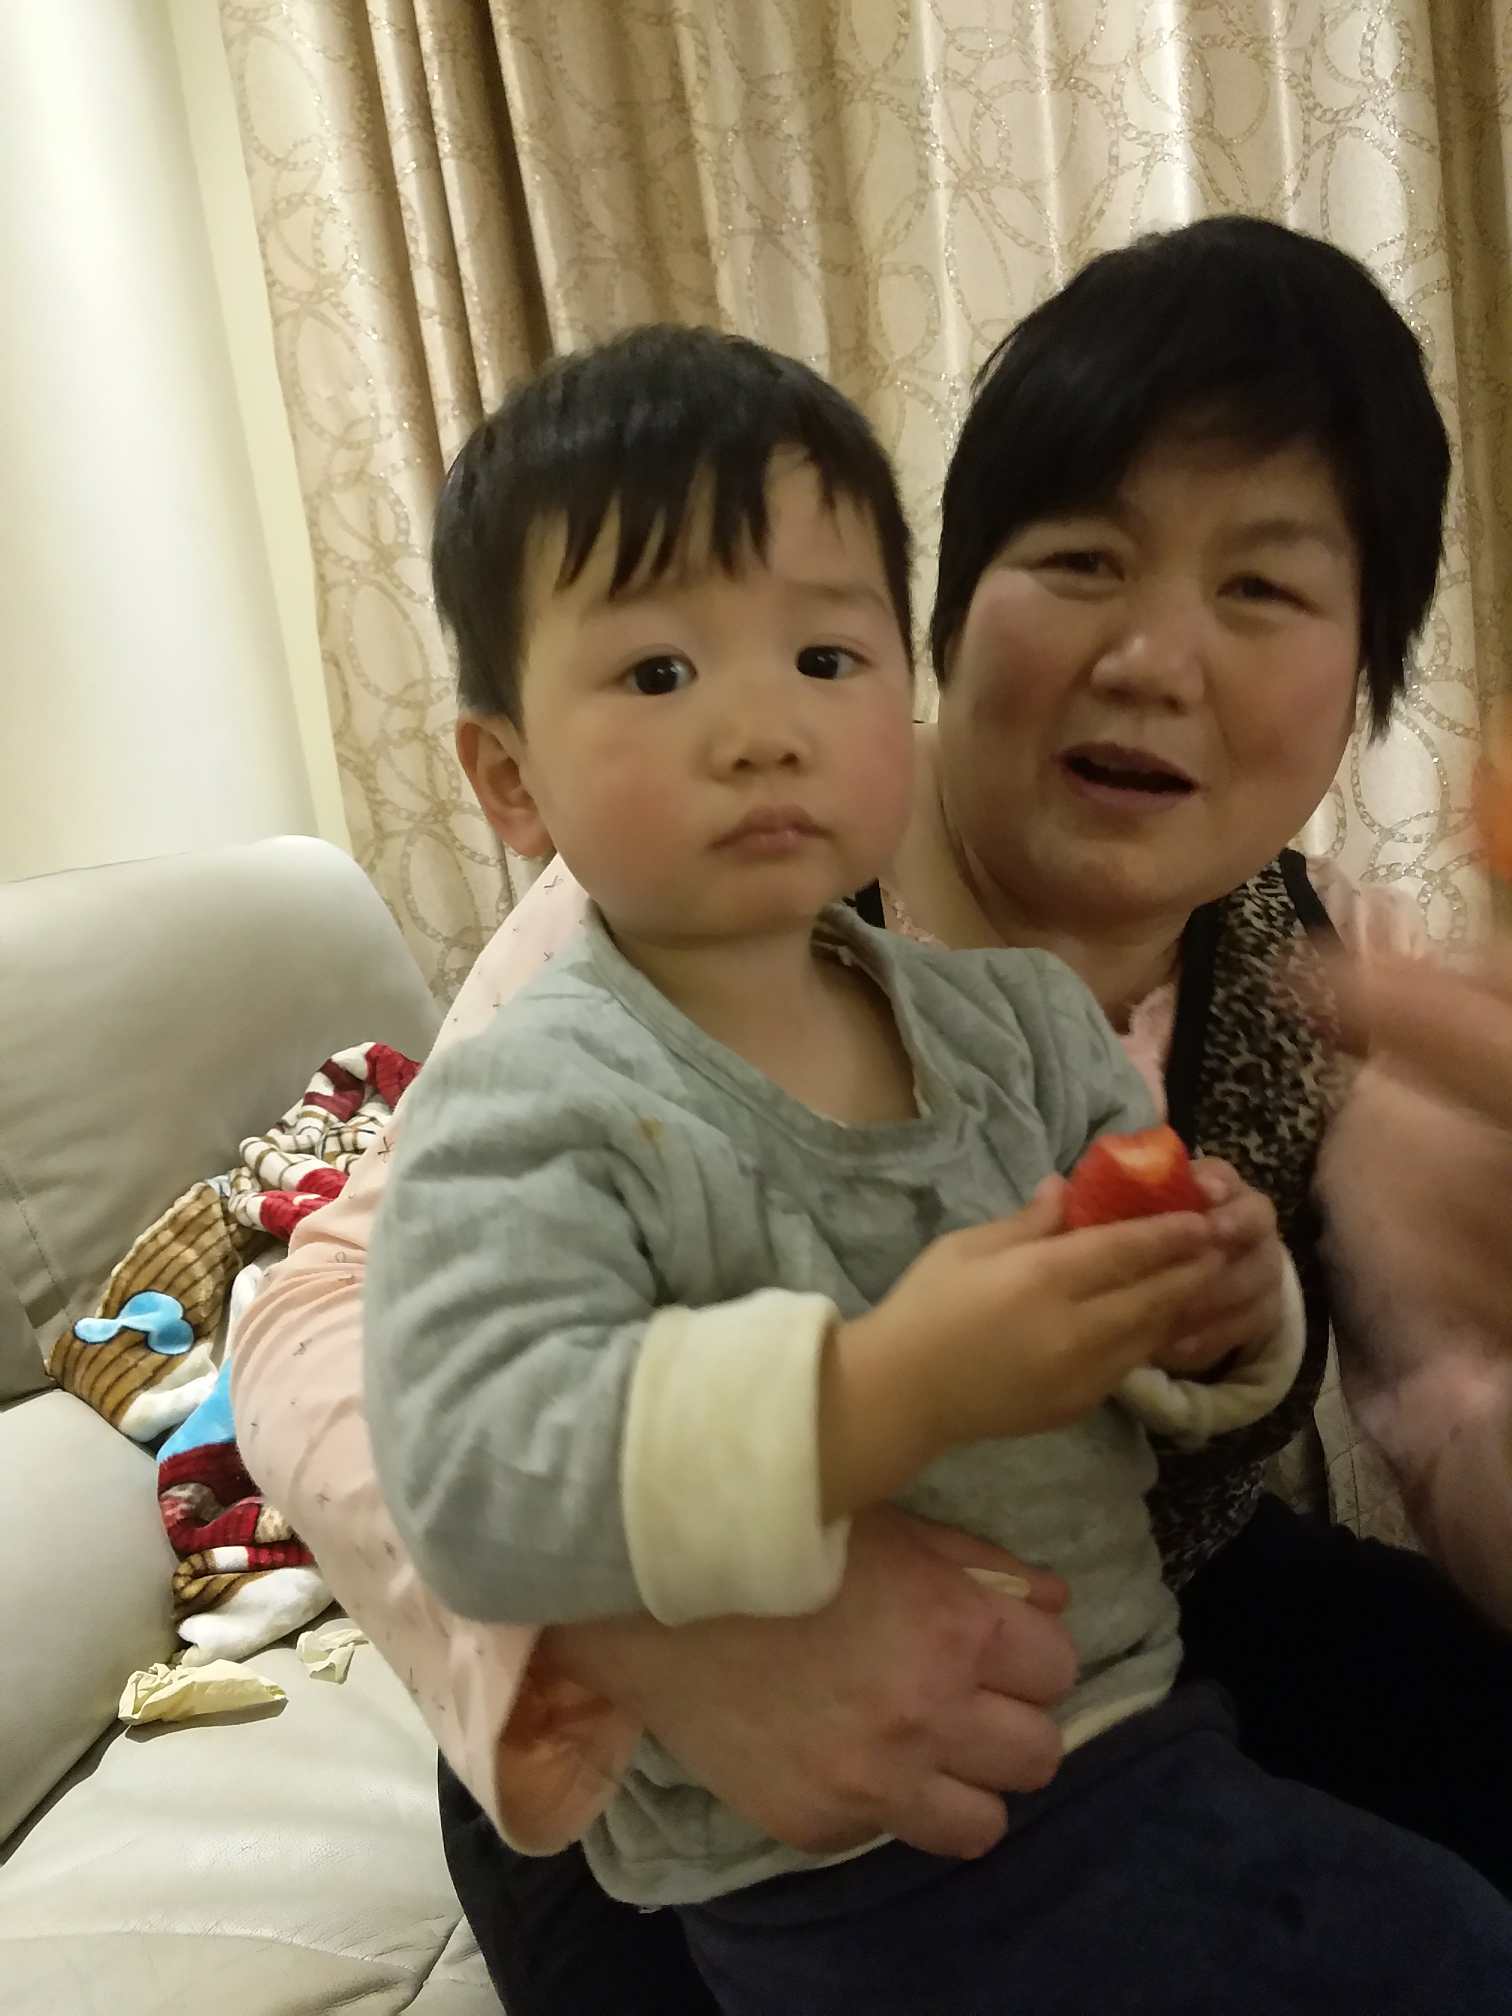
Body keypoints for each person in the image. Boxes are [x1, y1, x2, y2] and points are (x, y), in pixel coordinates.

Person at [232, 216, 1512, 2014]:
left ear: (1366, 668)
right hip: (687, 1769)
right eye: (1084, 559)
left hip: (1117, 1663)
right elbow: (317, 1316)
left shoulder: (1327, 990)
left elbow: (1442, 1412)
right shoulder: (705, 924)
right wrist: (660, 1637)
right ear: (952, 616)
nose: (1157, 656)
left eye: (1264, 589)